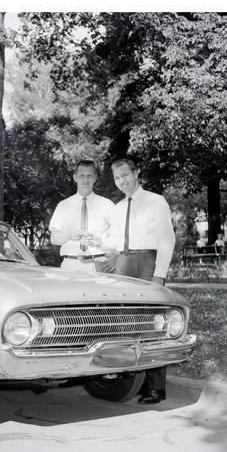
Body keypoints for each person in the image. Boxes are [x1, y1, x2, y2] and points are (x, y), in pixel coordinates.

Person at [93, 158, 175, 404]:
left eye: (125, 175)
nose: (122, 181)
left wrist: (159, 273)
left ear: (136, 173)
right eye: (117, 178)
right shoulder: (118, 208)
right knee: (125, 320)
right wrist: (96, 245)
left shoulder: (156, 201)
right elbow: (115, 241)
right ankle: (134, 379)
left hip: (147, 262)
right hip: (124, 263)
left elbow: (166, 239)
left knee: (153, 322)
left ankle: (156, 388)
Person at [49, 160, 115, 272]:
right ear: (75, 177)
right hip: (71, 266)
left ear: (95, 178)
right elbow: (54, 239)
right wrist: (69, 235)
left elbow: (119, 237)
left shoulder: (107, 204)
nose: (86, 180)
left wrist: (101, 241)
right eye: (82, 176)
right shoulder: (63, 205)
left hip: (99, 264)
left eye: (89, 176)